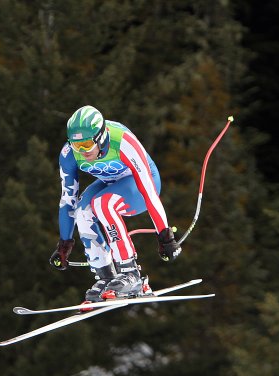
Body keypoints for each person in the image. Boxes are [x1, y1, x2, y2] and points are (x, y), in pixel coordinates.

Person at [49, 105, 181, 303]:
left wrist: (165, 236)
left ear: (100, 137)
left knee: (103, 203)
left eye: (86, 144)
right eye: (77, 145)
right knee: (83, 210)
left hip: (142, 185)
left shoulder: (123, 142)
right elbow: (68, 198)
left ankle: (130, 273)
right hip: (111, 183)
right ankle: (106, 276)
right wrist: (64, 243)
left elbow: (149, 191)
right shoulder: (69, 154)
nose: (82, 151)